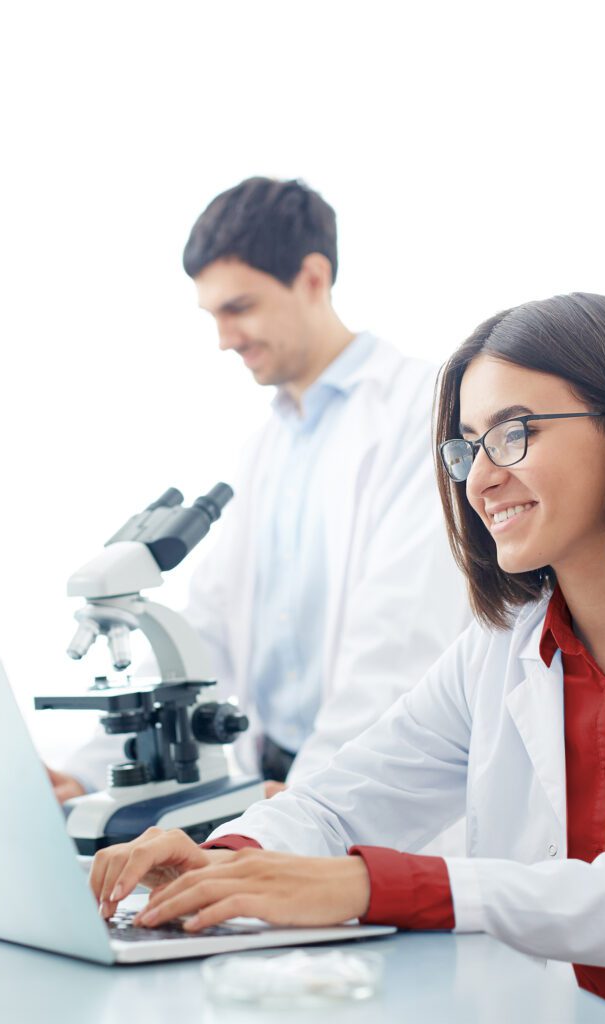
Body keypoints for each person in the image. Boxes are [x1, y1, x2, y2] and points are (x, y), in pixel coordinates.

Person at [88, 293, 605, 1024]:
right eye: (466, 447)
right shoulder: (500, 650)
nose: (480, 479)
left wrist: (367, 887)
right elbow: (337, 802)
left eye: (514, 434)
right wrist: (225, 861)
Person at [48, 177, 469, 801]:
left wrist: (304, 810)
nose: (223, 337)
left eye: (239, 308)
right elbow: (207, 631)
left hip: (360, 784)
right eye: (212, 314)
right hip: (273, 778)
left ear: (313, 279)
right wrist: (87, 771)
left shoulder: (422, 411)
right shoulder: (265, 449)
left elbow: (397, 645)